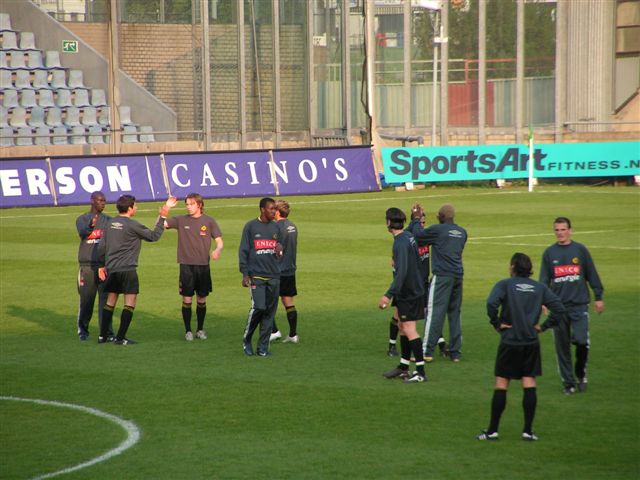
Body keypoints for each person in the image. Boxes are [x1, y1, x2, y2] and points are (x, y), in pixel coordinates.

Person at [477, 252, 566, 441]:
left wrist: (497, 322)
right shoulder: (539, 288)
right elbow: (559, 308)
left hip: (510, 341)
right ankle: (527, 430)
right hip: (530, 342)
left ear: (513, 267)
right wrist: (543, 327)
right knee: (529, 382)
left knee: (502, 383)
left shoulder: (505, 285)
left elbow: (491, 303)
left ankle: (493, 430)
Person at [97, 195, 176, 345]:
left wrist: (101, 265)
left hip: (112, 269)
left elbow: (101, 246)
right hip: (127, 270)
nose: (137, 208)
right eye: (135, 206)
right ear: (129, 208)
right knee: (130, 303)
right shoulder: (132, 225)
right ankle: (120, 338)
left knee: (110, 301)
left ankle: (102, 336)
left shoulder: (109, 223)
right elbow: (153, 236)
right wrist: (163, 216)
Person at [539, 217, 605, 394]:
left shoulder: (580, 250)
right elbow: (544, 280)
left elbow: (591, 273)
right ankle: (568, 383)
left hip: (579, 305)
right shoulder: (549, 253)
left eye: (563, 229)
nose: (560, 233)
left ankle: (581, 373)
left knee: (582, 341)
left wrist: (598, 296)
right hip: (558, 308)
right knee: (562, 348)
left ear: (570, 230)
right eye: (557, 230)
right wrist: (543, 301)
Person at [165, 193, 223, 341]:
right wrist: (167, 207)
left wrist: (217, 250)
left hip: (203, 266)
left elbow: (219, 241)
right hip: (186, 266)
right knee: (187, 299)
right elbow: (161, 224)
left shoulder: (209, 221)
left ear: (200, 205)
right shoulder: (180, 220)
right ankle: (188, 331)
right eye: (187, 204)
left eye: (191, 204)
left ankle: (200, 329)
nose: (189, 207)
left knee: (202, 299)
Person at [413, 204, 467, 362]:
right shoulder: (462, 232)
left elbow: (418, 236)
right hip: (458, 275)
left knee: (434, 312)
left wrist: (416, 218)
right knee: (455, 313)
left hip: (443, 275)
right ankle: (455, 353)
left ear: (440, 216)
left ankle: (426, 351)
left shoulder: (438, 230)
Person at [379, 207, 427, 383]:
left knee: (409, 329)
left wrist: (387, 295)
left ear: (389, 222)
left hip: (409, 291)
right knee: (401, 327)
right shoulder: (407, 236)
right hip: (409, 289)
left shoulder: (400, 242)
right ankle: (403, 367)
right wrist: (416, 217)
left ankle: (420, 371)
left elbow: (402, 273)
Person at [239, 197, 282, 357]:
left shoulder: (276, 227)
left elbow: (279, 248)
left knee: (270, 313)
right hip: (256, 276)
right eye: (271, 209)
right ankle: (247, 340)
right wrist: (245, 274)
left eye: (275, 209)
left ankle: (263, 348)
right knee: (259, 308)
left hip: (273, 276)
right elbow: (243, 250)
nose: (274, 211)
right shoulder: (250, 227)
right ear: (262, 209)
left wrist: (279, 250)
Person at [76, 191, 112, 342]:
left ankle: (107, 332)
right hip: (87, 267)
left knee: (105, 301)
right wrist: (90, 227)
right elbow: (83, 233)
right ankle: (83, 330)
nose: (103, 203)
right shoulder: (82, 219)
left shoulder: (108, 220)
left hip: (104, 266)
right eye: (100, 200)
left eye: (104, 201)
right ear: (92, 201)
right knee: (87, 301)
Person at [270, 199, 299, 344]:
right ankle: (293, 335)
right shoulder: (293, 226)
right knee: (288, 301)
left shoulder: (275, 228)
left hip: (277, 270)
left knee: (268, 301)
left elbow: (276, 249)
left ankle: (274, 331)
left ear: (277, 211)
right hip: (290, 269)